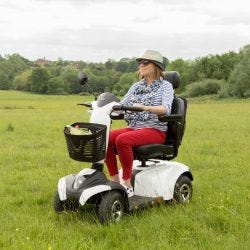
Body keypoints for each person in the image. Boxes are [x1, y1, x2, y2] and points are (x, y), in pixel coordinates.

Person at [105, 50, 174, 197]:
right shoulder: (136, 87)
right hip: (135, 127)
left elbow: (165, 109)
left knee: (122, 140)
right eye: (140, 63)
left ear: (156, 66)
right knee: (104, 138)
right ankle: (115, 181)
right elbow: (122, 105)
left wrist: (145, 108)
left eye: (145, 62)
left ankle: (127, 183)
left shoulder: (166, 86)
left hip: (155, 129)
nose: (141, 65)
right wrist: (104, 107)